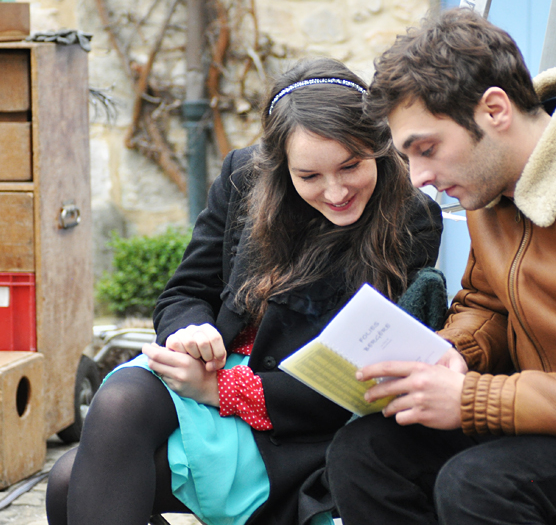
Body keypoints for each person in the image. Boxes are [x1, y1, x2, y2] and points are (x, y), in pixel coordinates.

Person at [45, 57, 442, 525]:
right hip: (210, 373)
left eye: (350, 166)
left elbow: (355, 372)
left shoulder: (410, 216)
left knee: (70, 479)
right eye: (309, 176)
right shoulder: (243, 178)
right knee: (119, 402)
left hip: (290, 417)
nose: (335, 192)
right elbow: (184, 291)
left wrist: (223, 389)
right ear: (279, 166)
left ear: (377, 146)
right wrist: (189, 331)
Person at [325, 7, 556, 525]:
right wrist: (453, 353)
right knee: (366, 453)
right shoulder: (490, 185)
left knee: (478, 484)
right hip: (544, 416)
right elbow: (487, 303)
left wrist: (475, 399)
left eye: (426, 148)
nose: (419, 178)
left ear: (494, 110)